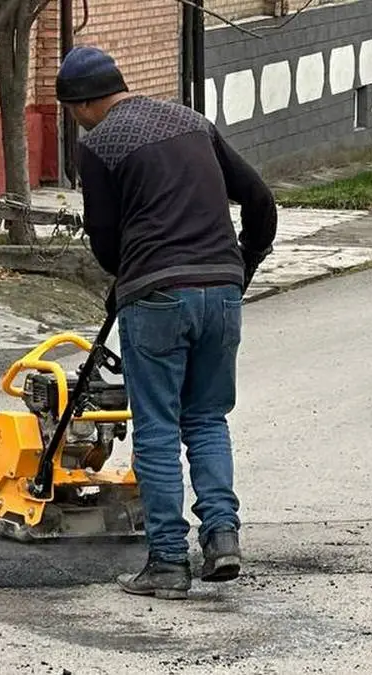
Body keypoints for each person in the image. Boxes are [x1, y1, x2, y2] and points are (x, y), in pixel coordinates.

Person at [55, 45, 277, 600]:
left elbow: (106, 244)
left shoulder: (99, 144)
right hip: (221, 292)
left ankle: (168, 563)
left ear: (81, 106)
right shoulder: (192, 121)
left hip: (154, 296)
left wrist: (131, 274)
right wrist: (238, 270)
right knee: (206, 419)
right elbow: (261, 202)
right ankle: (223, 538)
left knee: (156, 429)